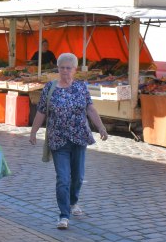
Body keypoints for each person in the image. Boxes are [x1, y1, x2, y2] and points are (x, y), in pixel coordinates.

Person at [29, 53, 109, 229]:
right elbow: (41, 111)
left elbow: (90, 108)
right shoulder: (49, 88)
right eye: (62, 67)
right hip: (58, 139)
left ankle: (73, 202)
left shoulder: (81, 87)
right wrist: (33, 132)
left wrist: (101, 127)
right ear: (58, 68)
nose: (65, 71)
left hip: (79, 137)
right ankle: (63, 215)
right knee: (63, 178)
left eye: (68, 68)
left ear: (75, 70)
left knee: (78, 177)